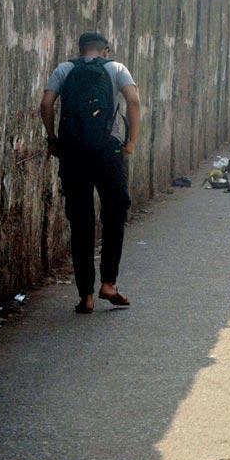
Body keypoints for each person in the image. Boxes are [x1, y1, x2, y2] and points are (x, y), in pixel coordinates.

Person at [39, 31, 140, 314]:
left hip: (73, 153)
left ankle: (85, 295)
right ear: (105, 50)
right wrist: (130, 141)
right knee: (114, 215)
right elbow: (133, 100)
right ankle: (108, 283)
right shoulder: (116, 69)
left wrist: (52, 139)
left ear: (80, 49)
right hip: (109, 151)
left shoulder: (65, 68)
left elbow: (46, 104)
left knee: (81, 222)